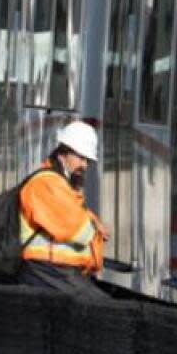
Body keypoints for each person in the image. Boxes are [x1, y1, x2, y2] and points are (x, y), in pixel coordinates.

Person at [17, 120, 111, 298]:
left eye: (88, 160)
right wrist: (94, 227)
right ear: (63, 153)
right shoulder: (47, 184)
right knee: (107, 313)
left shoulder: (59, 185)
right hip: (47, 271)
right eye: (81, 158)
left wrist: (92, 221)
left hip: (57, 272)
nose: (84, 165)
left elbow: (73, 214)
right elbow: (79, 230)